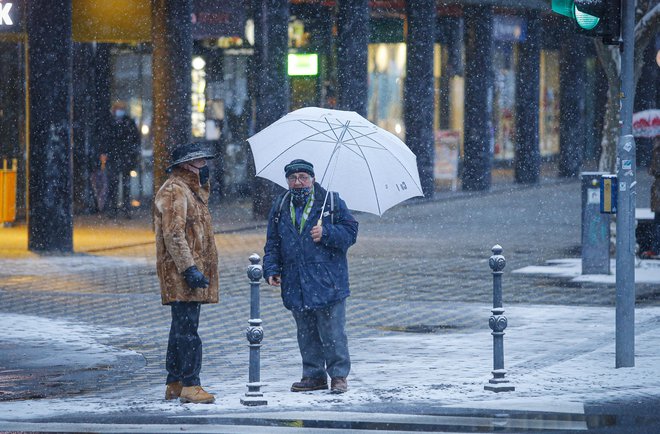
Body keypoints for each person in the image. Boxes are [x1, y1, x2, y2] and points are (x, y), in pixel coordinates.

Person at [263, 159, 358, 394]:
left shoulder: (331, 202)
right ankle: (313, 375)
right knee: (305, 333)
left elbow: (351, 233)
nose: (298, 182)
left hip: (328, 281)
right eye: (293, 178)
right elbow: (273, 242)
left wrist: (327, 233)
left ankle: (338, 376)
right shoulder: (281, 205)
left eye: (303, 177)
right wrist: (271, 268)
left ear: (313, 179)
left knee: (332, 332)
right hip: (296, 281)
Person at [153, 142, 219, 404]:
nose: (205, 166)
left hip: (189, 272)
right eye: (200, 162)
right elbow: (173, 234)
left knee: (181, 328)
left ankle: (175, 382)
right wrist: (189, 268)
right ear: (185, 166)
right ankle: (191, 385)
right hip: (180, 274)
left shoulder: (192, 191)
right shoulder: (174, 191)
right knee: (187, 331)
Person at [102, 101, 141, 217]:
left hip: (124, 157)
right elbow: (106, 139)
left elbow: (135, 139)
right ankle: (115, 209)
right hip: (117, 157)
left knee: (124, 185)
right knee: (114, 185)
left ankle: (124, 209)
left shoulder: (127, 122)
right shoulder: (112, 123)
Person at [648, 138, 660, 258]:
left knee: (657, 223)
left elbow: (654, 170)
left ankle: (656, 249)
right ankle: (655, 248)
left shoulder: (657, 151)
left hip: (658, 192)